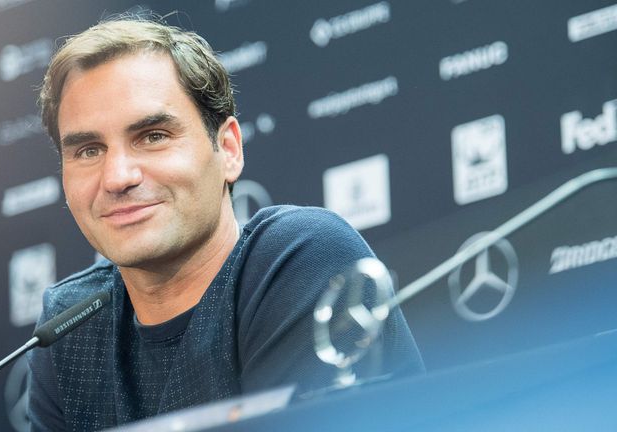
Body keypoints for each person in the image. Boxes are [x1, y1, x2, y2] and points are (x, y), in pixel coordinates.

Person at [28, 15, 423, 431]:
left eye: (153, 136)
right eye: (89, 151)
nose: (117, 177)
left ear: (229, 149)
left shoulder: (301, 258)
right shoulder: (70, 326)